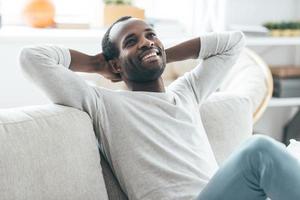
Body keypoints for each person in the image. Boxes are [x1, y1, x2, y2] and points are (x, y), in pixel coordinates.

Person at [20, 16, 300, 200]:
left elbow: (232, 43)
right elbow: (33, 58)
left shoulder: (187, 93)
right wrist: (97, 64)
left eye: (150, 34)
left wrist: (156, 51)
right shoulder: (103, 103)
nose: (145, 41)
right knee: (259, 151)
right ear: (115, 64)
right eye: (131, 42)